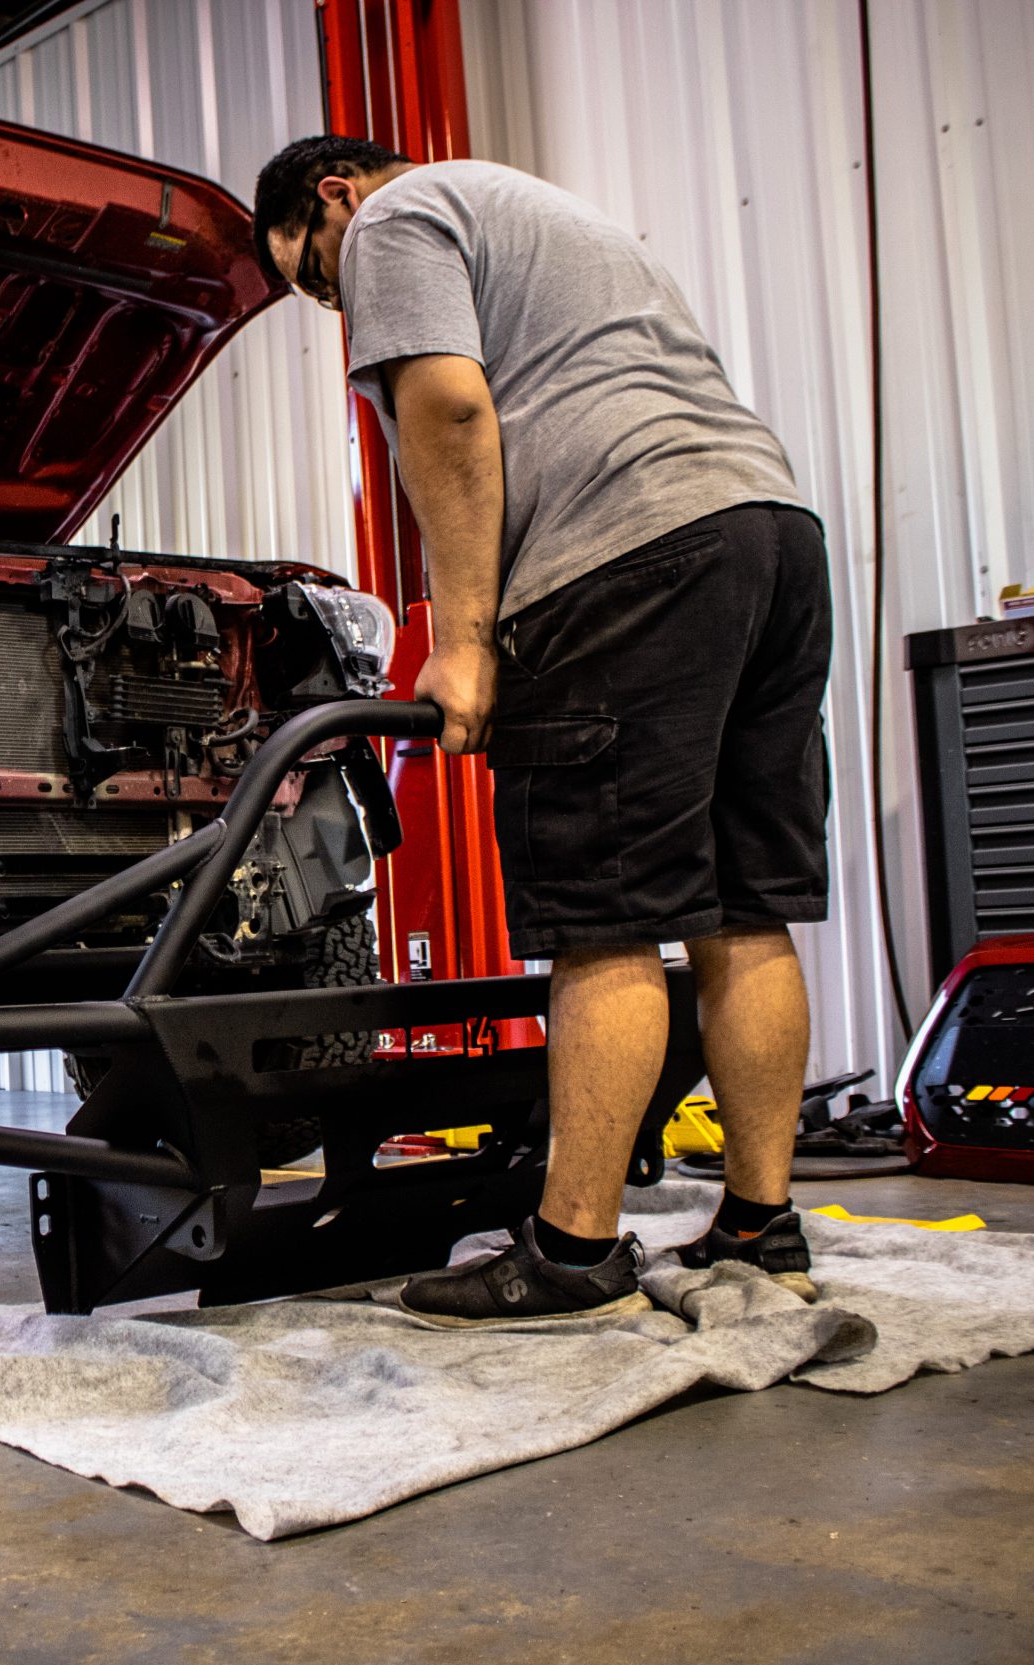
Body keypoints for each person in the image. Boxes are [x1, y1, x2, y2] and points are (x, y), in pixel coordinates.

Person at [253, 136, 833, 1322]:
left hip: (628, 556)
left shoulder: (395, 217)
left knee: (604, 919)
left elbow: (452, 411)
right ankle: (761, 1226)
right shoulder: (555, 223)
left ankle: (572, 1256)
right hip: (766, 529)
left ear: (331, 198)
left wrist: (461, 636)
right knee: (740, 906)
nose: (337, 302)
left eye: (314, 277)